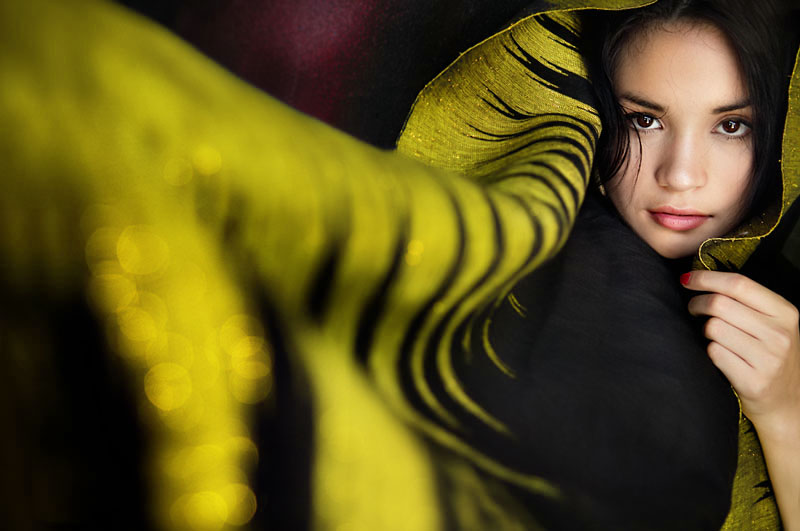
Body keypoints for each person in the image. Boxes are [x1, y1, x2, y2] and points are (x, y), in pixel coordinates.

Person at [2, 0, 799, 529]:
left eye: (731, 126)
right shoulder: (520, 225)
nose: (680, 175)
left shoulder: (788, 332)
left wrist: (785, 412)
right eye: (644, 120)